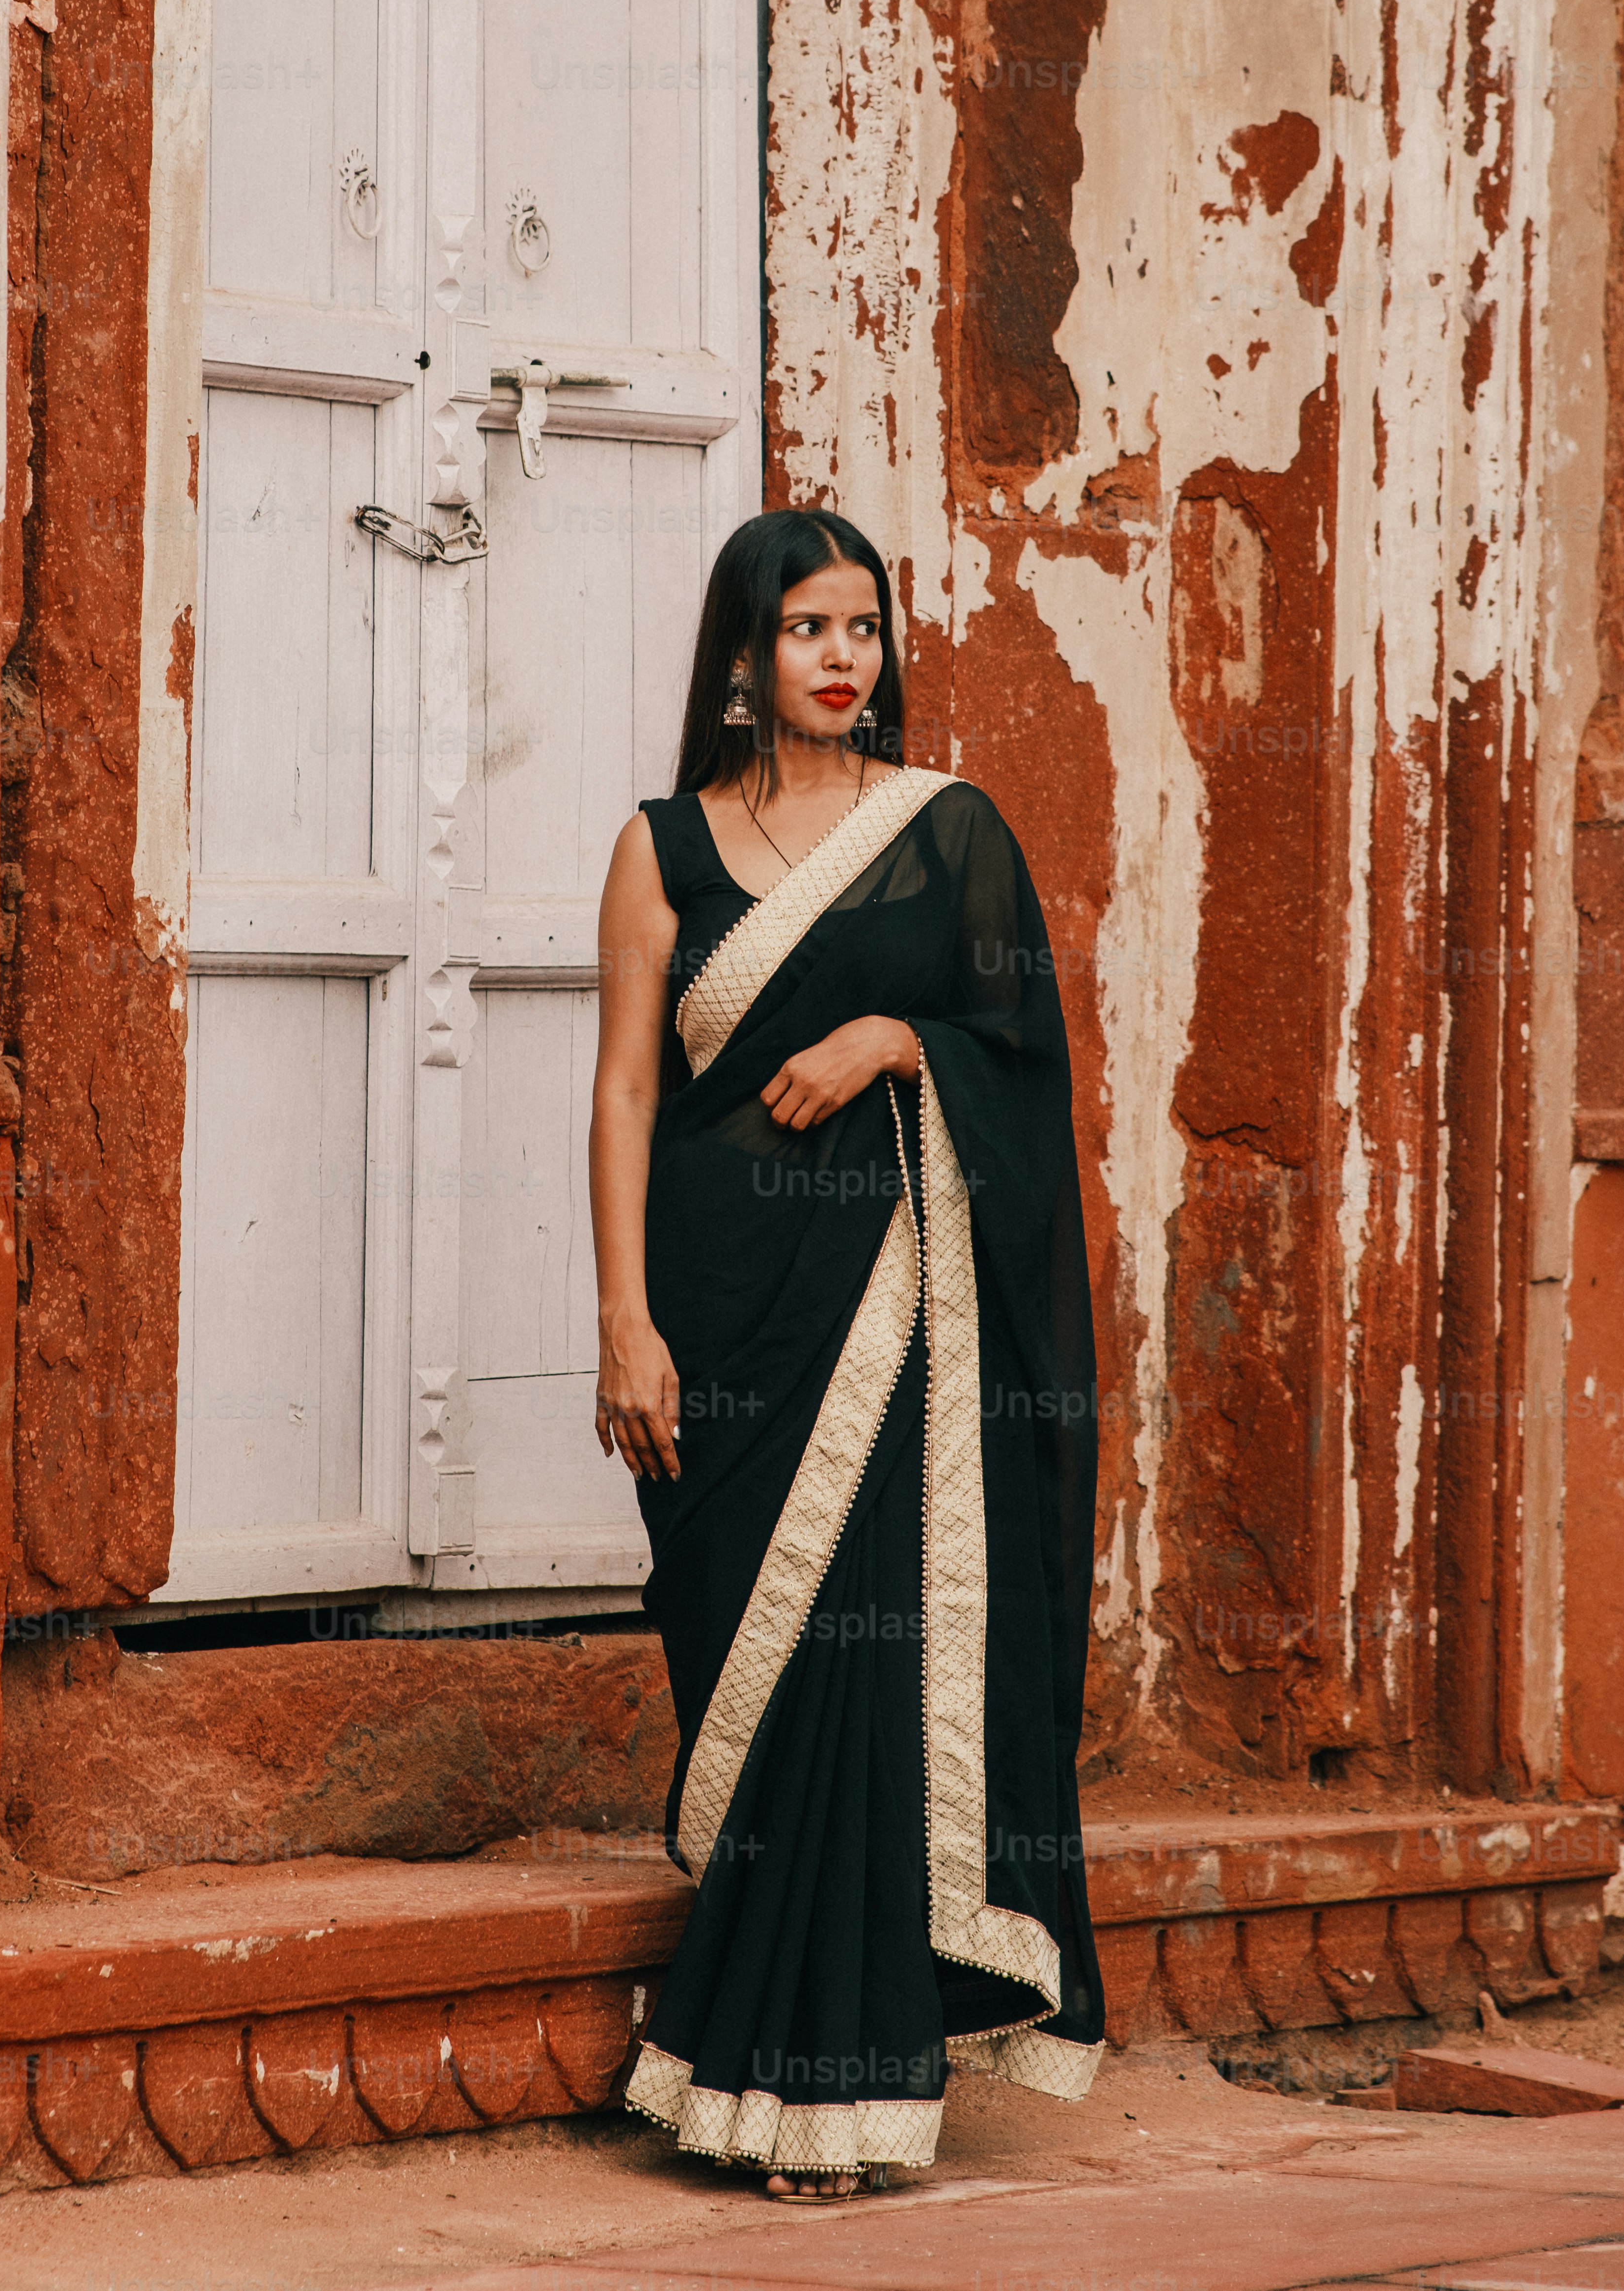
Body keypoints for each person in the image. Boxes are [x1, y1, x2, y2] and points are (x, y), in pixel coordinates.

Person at [589, 506, 1106, 2204]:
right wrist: (623, 1319)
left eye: (863, 628)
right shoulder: (658, 847)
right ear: (745, 658)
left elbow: (1019, 1064)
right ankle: (763, 2041)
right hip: (715, 1310)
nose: (841, 657)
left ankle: (833, 2076)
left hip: (886, 1304)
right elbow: (623, 1089)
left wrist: (899, 1036)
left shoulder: (945, 833)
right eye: (807, 627)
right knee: (738, 1658)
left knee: (862, 1677)